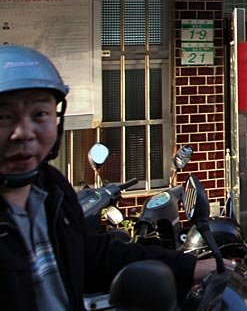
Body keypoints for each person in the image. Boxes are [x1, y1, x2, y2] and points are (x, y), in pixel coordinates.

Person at [0, 45, 222, 310]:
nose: (24, 132)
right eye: (4, 116)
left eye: (40, 114)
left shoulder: (51, 189)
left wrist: (189, 267)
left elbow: (94, 256)